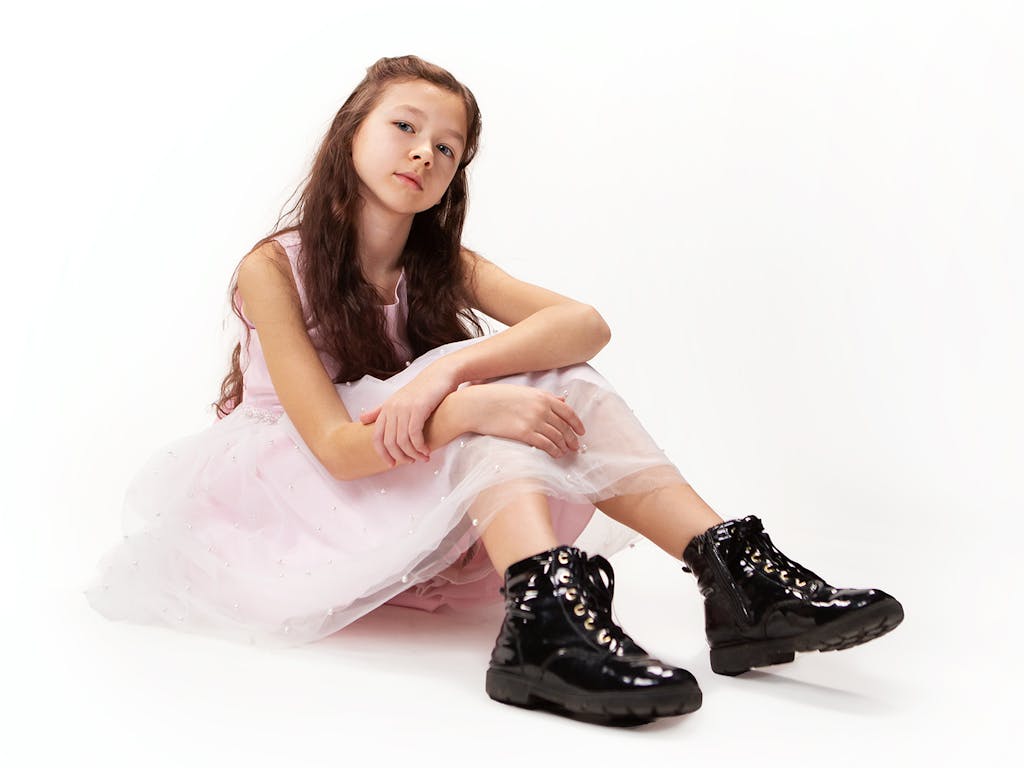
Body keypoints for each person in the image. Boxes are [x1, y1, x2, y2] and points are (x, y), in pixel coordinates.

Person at [84, 54, 904, 727]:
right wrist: (468, 404)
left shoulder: (440, 265)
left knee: (554, 372)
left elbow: (583, 323)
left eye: (447, 149)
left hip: (396, 458)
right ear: (350, 136)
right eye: (405, 128)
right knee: (495, 400)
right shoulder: (273, 267)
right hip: (299, 491)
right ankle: (543, 631)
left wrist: (449, 370)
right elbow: (333, 445)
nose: (424, 154)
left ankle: (733, 574)